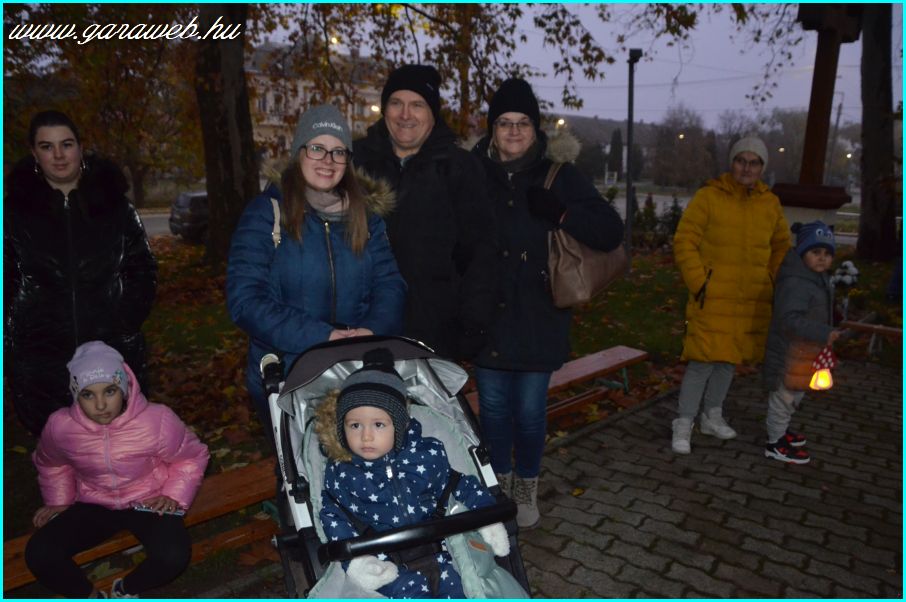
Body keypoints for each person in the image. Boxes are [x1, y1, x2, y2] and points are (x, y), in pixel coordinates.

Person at [471, 78, 624, 528]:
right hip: (487, 315)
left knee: (529, 412)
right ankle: (498, 486)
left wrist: (561, 213)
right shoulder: (472, 172)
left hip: (538, 316)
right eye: (505, 122)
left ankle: (526, 485)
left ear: (536, 129)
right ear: (492, 128)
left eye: (523, 122)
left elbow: (610, 232)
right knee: (492, 410)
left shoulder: (561, 175)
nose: (514, 131)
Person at [226, 104, 407, 435]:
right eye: (317, 148)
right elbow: (245, 300)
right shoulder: (267, 214)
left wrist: (370, 330)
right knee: (299, 465)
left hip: (355, 371)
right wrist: (322, 337)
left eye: (338, 152)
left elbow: (390, 285)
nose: (328, 160)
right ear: (299, 152)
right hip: (288, 376)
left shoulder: (366, 219)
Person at [5, 110, 158, 437]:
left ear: (80, 147)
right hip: (41, 358)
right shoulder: (14, 214)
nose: (59, 155)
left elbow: (142, 269)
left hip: (111, 351)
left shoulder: (115, 208)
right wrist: (18, 330)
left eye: (67, 144)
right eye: (47, 146)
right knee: (59, 448)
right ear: (34, 154)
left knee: (119, 448)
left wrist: (124, 318)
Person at [315, 348, 509, 598]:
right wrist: (357, 561)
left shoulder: (426, 456)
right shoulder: (342, 473)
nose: (366, 436)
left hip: (442, 552)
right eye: (355, 425)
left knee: (467, 588)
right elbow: (332, 514)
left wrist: (487, 517)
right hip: (386, 567)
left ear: (399, 425)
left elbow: (458, 483)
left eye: (378, 424)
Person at [25, 341, 209, 598]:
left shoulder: (157, 420)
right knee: (39, 553)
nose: (100, 405)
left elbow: (191, 457)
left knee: (173, 556)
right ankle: (89, 595)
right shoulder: (61, 427)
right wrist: (59, 501)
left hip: (147, 500)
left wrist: (173, 495)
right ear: (75, 394)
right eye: (88, 395)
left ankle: (125, 589)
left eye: (110, 391)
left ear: (124, 387)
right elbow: (52, 463)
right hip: (94, 503)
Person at [353, 64, 497, 361]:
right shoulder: (356, 162)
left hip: (434, 330)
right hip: (362, 326)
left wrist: (473, 324)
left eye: (417, 105)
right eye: (396, 103)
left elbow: (481, 253)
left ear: (432, 113)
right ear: (385, 109)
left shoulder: (459, 168)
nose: (405, 114)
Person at [672, 135, 791, 454]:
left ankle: (712, 415)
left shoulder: (770, 203)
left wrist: (770, 278)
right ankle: (684, 422)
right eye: (741, 160)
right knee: (702, 361)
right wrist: (700, 282)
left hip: (750, 298)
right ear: (732, 163)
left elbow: (782, 245)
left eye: (754, 163)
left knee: (728, 360)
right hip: (713, 296)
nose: (746, 168)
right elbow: (684, 240)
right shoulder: (709, 197)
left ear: (762, 168)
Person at [762, 221, 841, 464]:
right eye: (815, 252)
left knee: (795, 394)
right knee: (784, 397)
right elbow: (788, 319)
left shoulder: (817, 279)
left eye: (827, 253)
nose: (822, 258)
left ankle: (782, 430)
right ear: (802, 252)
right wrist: (823, 332)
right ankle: (775, 443)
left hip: (805, 352)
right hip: (788, 352)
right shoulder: (796, 282)